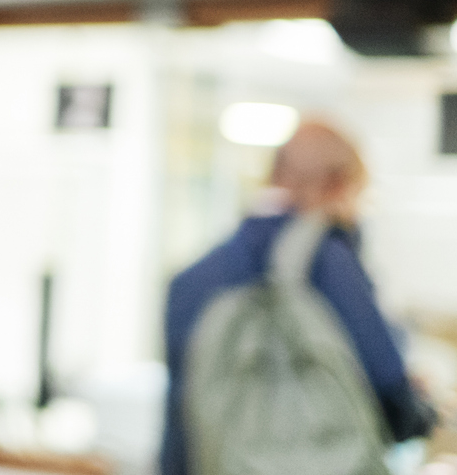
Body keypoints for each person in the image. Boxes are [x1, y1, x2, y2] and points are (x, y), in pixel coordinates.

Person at [158, 118, 435, 474]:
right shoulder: (329, 262)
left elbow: (180, 423)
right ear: (339, 184)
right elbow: (390, 391)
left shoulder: (190, 280)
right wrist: (419, 405)